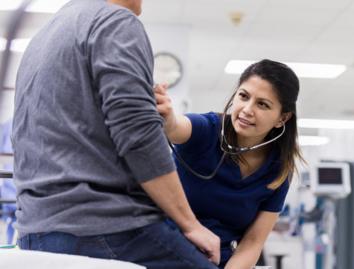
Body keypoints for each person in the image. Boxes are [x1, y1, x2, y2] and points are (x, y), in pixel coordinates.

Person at [12, 0, 220, 268]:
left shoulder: (44, 37)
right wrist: (191, 225)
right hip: (106, 230)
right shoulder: (116, 21)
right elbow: (139, 135)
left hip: (37, 235)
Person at [154, 59, 303, 269]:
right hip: (169, 257)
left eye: (262, 104)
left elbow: (253, 242)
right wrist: (167, 118)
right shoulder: (206, 130)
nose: (247, 110)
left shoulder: (278, 170)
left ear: (282, 118)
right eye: (243, 96)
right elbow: (177, 127)